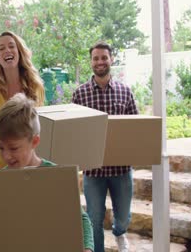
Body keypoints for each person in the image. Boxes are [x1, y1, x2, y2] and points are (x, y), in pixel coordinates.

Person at [0, 93, 94, 252]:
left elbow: (81, 219)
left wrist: (87, 248)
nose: (6, 155)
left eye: (13, 148)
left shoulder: (55, 177)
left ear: (34, 141)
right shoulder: (2, 182)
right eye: (1, 147)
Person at [71, 41, 138, 252]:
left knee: (124, 216)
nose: (100, 62)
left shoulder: (125, 92)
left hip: (121, 168)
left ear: (111, 60)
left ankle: (120, 233)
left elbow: (136, 126)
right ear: (91, 62)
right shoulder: (79, 95)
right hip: (93, 170)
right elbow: (74, 131)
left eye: (104, 57)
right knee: (94, 219)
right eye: (96, 58)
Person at [0, 31, 45, 169]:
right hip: (2, 163)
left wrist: (22, 153)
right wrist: (9, 152)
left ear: (19, 52)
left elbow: (39, 128)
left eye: (11, 46)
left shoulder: (36, 86)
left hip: (30, 164)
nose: (7, 50)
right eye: (1, 48)